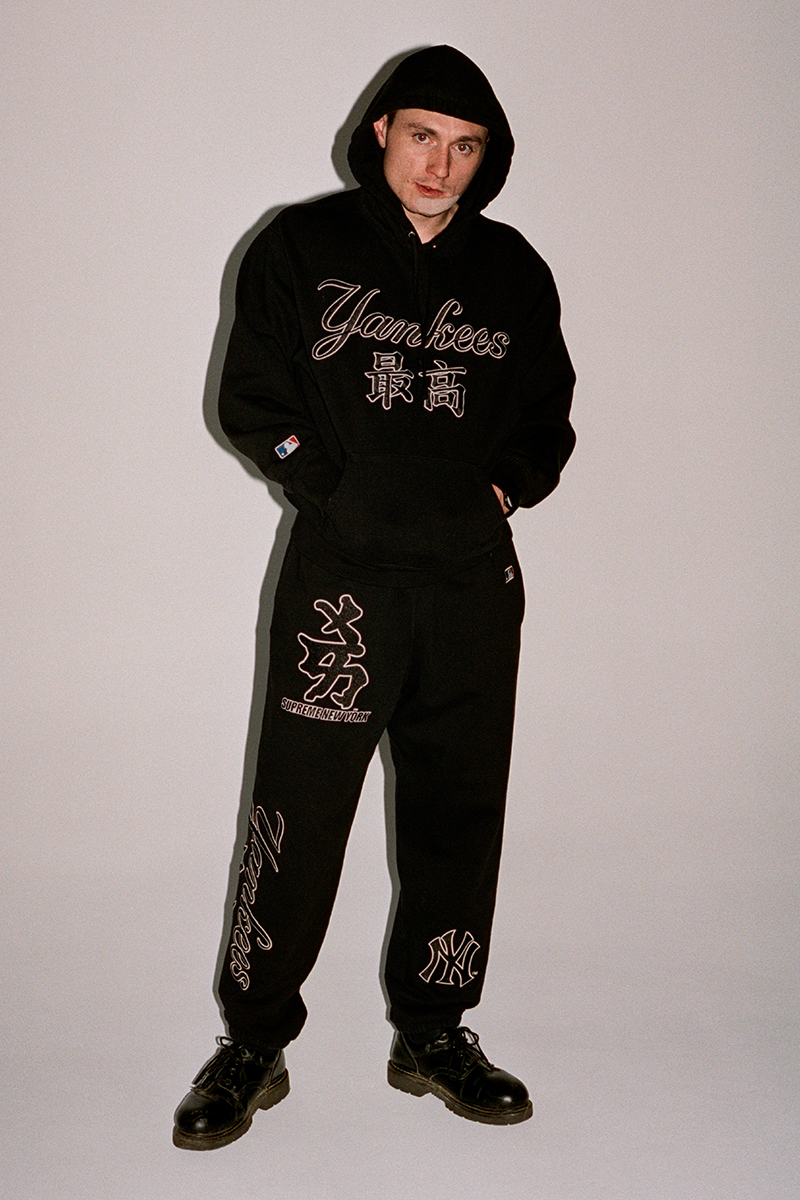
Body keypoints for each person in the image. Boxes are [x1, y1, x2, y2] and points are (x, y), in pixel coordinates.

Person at [173, 44, 576, 1149]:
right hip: (342, 586)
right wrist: (335, 492)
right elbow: (252, 397)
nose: (438, 165)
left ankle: (434, 1030)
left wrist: (502, 488)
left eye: (465, 146)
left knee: (459, 810)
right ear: (381, 132)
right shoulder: (301, 246)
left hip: (469, 587)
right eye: (422, 137)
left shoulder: (513, 270)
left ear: (486, 156)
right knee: (298, 811)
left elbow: (548, 413)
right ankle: (254, 1040)